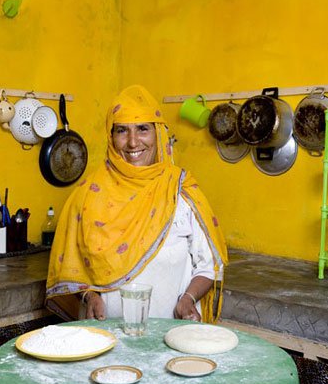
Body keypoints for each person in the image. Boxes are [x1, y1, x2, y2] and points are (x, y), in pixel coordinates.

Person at [45, 85, 228, 323]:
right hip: (106, 339)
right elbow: (73, 267)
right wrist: (88, 296)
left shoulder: (179, 191)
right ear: (110, 137)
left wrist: (188, 299)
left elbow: (209, 265)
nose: (133, 142)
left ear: (158, 133)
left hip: (172, 335)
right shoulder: (87, 195)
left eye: (143, 129)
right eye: (122, 130)